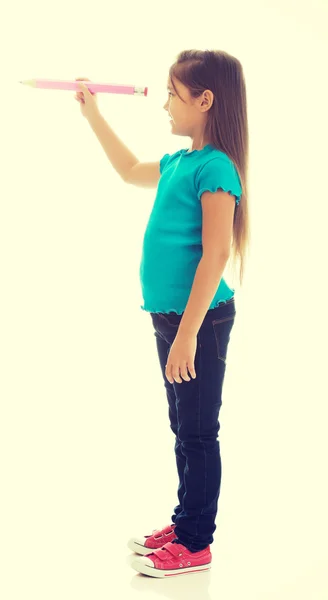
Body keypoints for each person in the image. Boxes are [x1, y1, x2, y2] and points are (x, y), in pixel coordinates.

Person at [74, 48, 250, 578]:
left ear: (205, 99)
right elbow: (129, 170)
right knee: (183, 426)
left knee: (198, 431)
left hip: (200, 324)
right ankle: (185, 520)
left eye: (173, 94)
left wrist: (189, 334)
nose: (166, 105)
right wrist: (93, 114)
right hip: (173, 321)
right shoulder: (179, 163)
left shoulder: (216, 167)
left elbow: (216, 253)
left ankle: (196, 543)